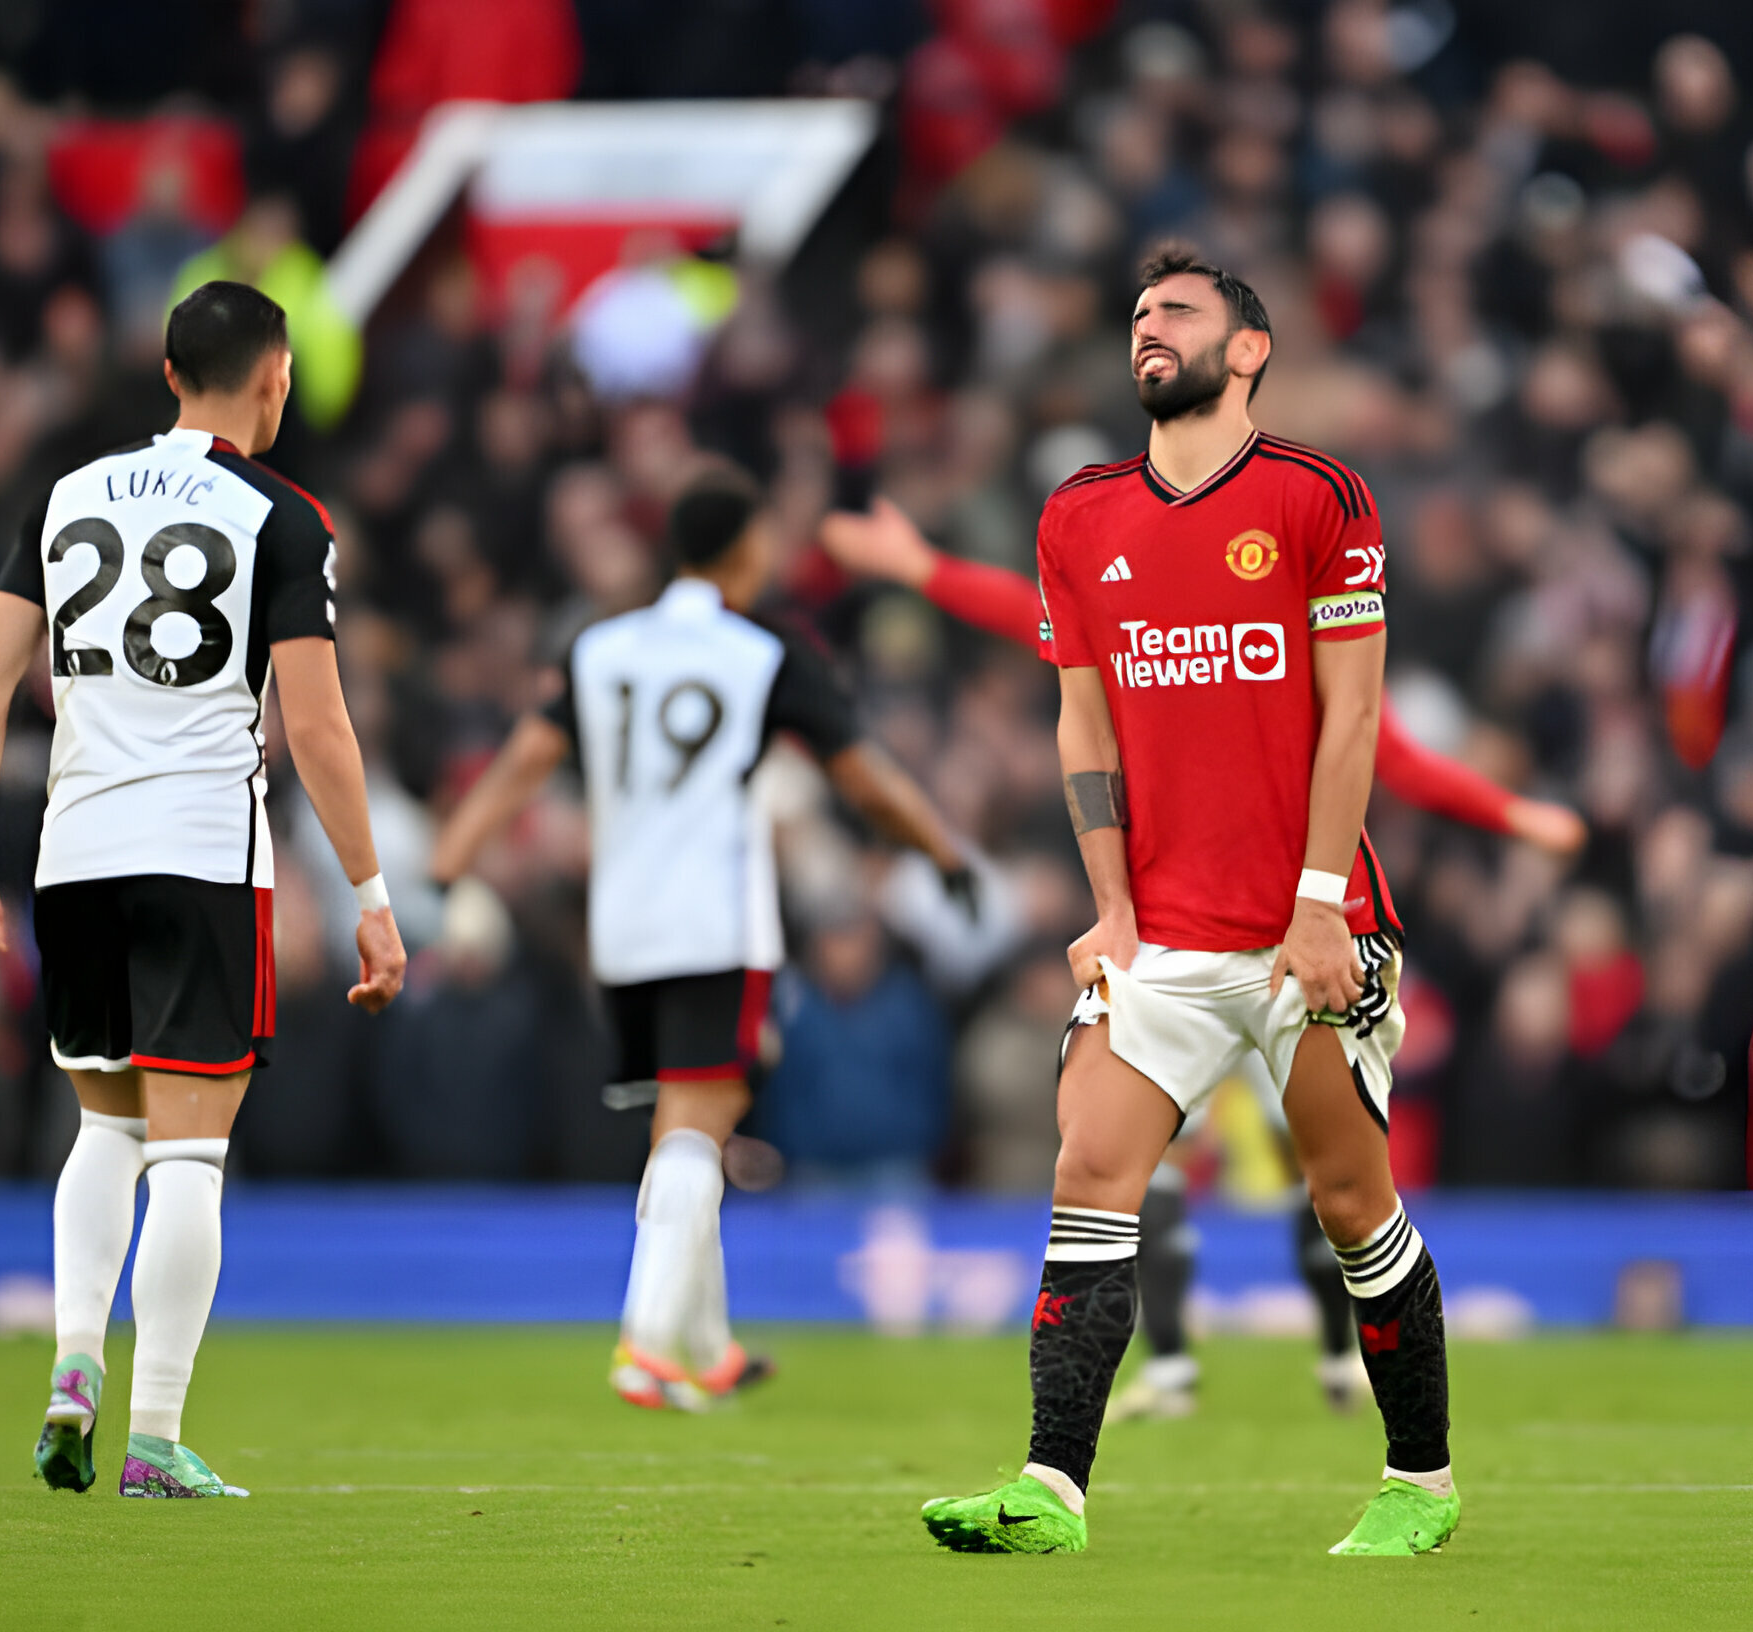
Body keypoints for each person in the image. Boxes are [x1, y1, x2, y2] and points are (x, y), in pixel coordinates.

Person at [821, 480, 1583, 1426]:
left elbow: (1390, 753)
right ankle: (1162, 1375)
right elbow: (1042, 621)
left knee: (1334, 1178)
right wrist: (925, 571)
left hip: (1293, 940)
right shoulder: (1152, 628)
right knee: (1143, 1163)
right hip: (1175, 931)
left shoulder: (1303, 643)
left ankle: (1357, 1367)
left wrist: (1514, 816)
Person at [918, 247, 1459, 1557]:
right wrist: (1109, 905)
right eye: (1138, 316)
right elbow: (1081, 724)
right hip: (1157, 929)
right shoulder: (1079, 516)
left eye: (1178, 312)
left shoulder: (1321, 496)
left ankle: (1419, 1483)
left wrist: (1322, 904)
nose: (1148, 330)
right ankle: (1053, 1489)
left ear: (1251, 347)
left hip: (1305, 932)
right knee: (1090, 1172)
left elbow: (1354, 716)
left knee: (1347, 1199)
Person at [0, 282, 407, 1499]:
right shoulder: (285, 516)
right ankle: (153, 1436)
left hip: (74, 854)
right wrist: (369, 891)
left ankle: (70, 1371)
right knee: (190, 1158)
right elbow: (318, 725)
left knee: (105, 1128)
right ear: (278, 379)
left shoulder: (66, 495)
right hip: (201, 852)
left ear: (164, 370)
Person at [427, 466, 973, 1411]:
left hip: (624, 929)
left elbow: (527, 757)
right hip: (717, 922)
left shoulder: (603, 646)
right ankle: (643, 1347)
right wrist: (943, 850)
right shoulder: (762, 648)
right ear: (745, 550)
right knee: (695, 1130)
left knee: (681, 1131)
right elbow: (864, 776)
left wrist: (450, 857)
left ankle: (710, 1347)